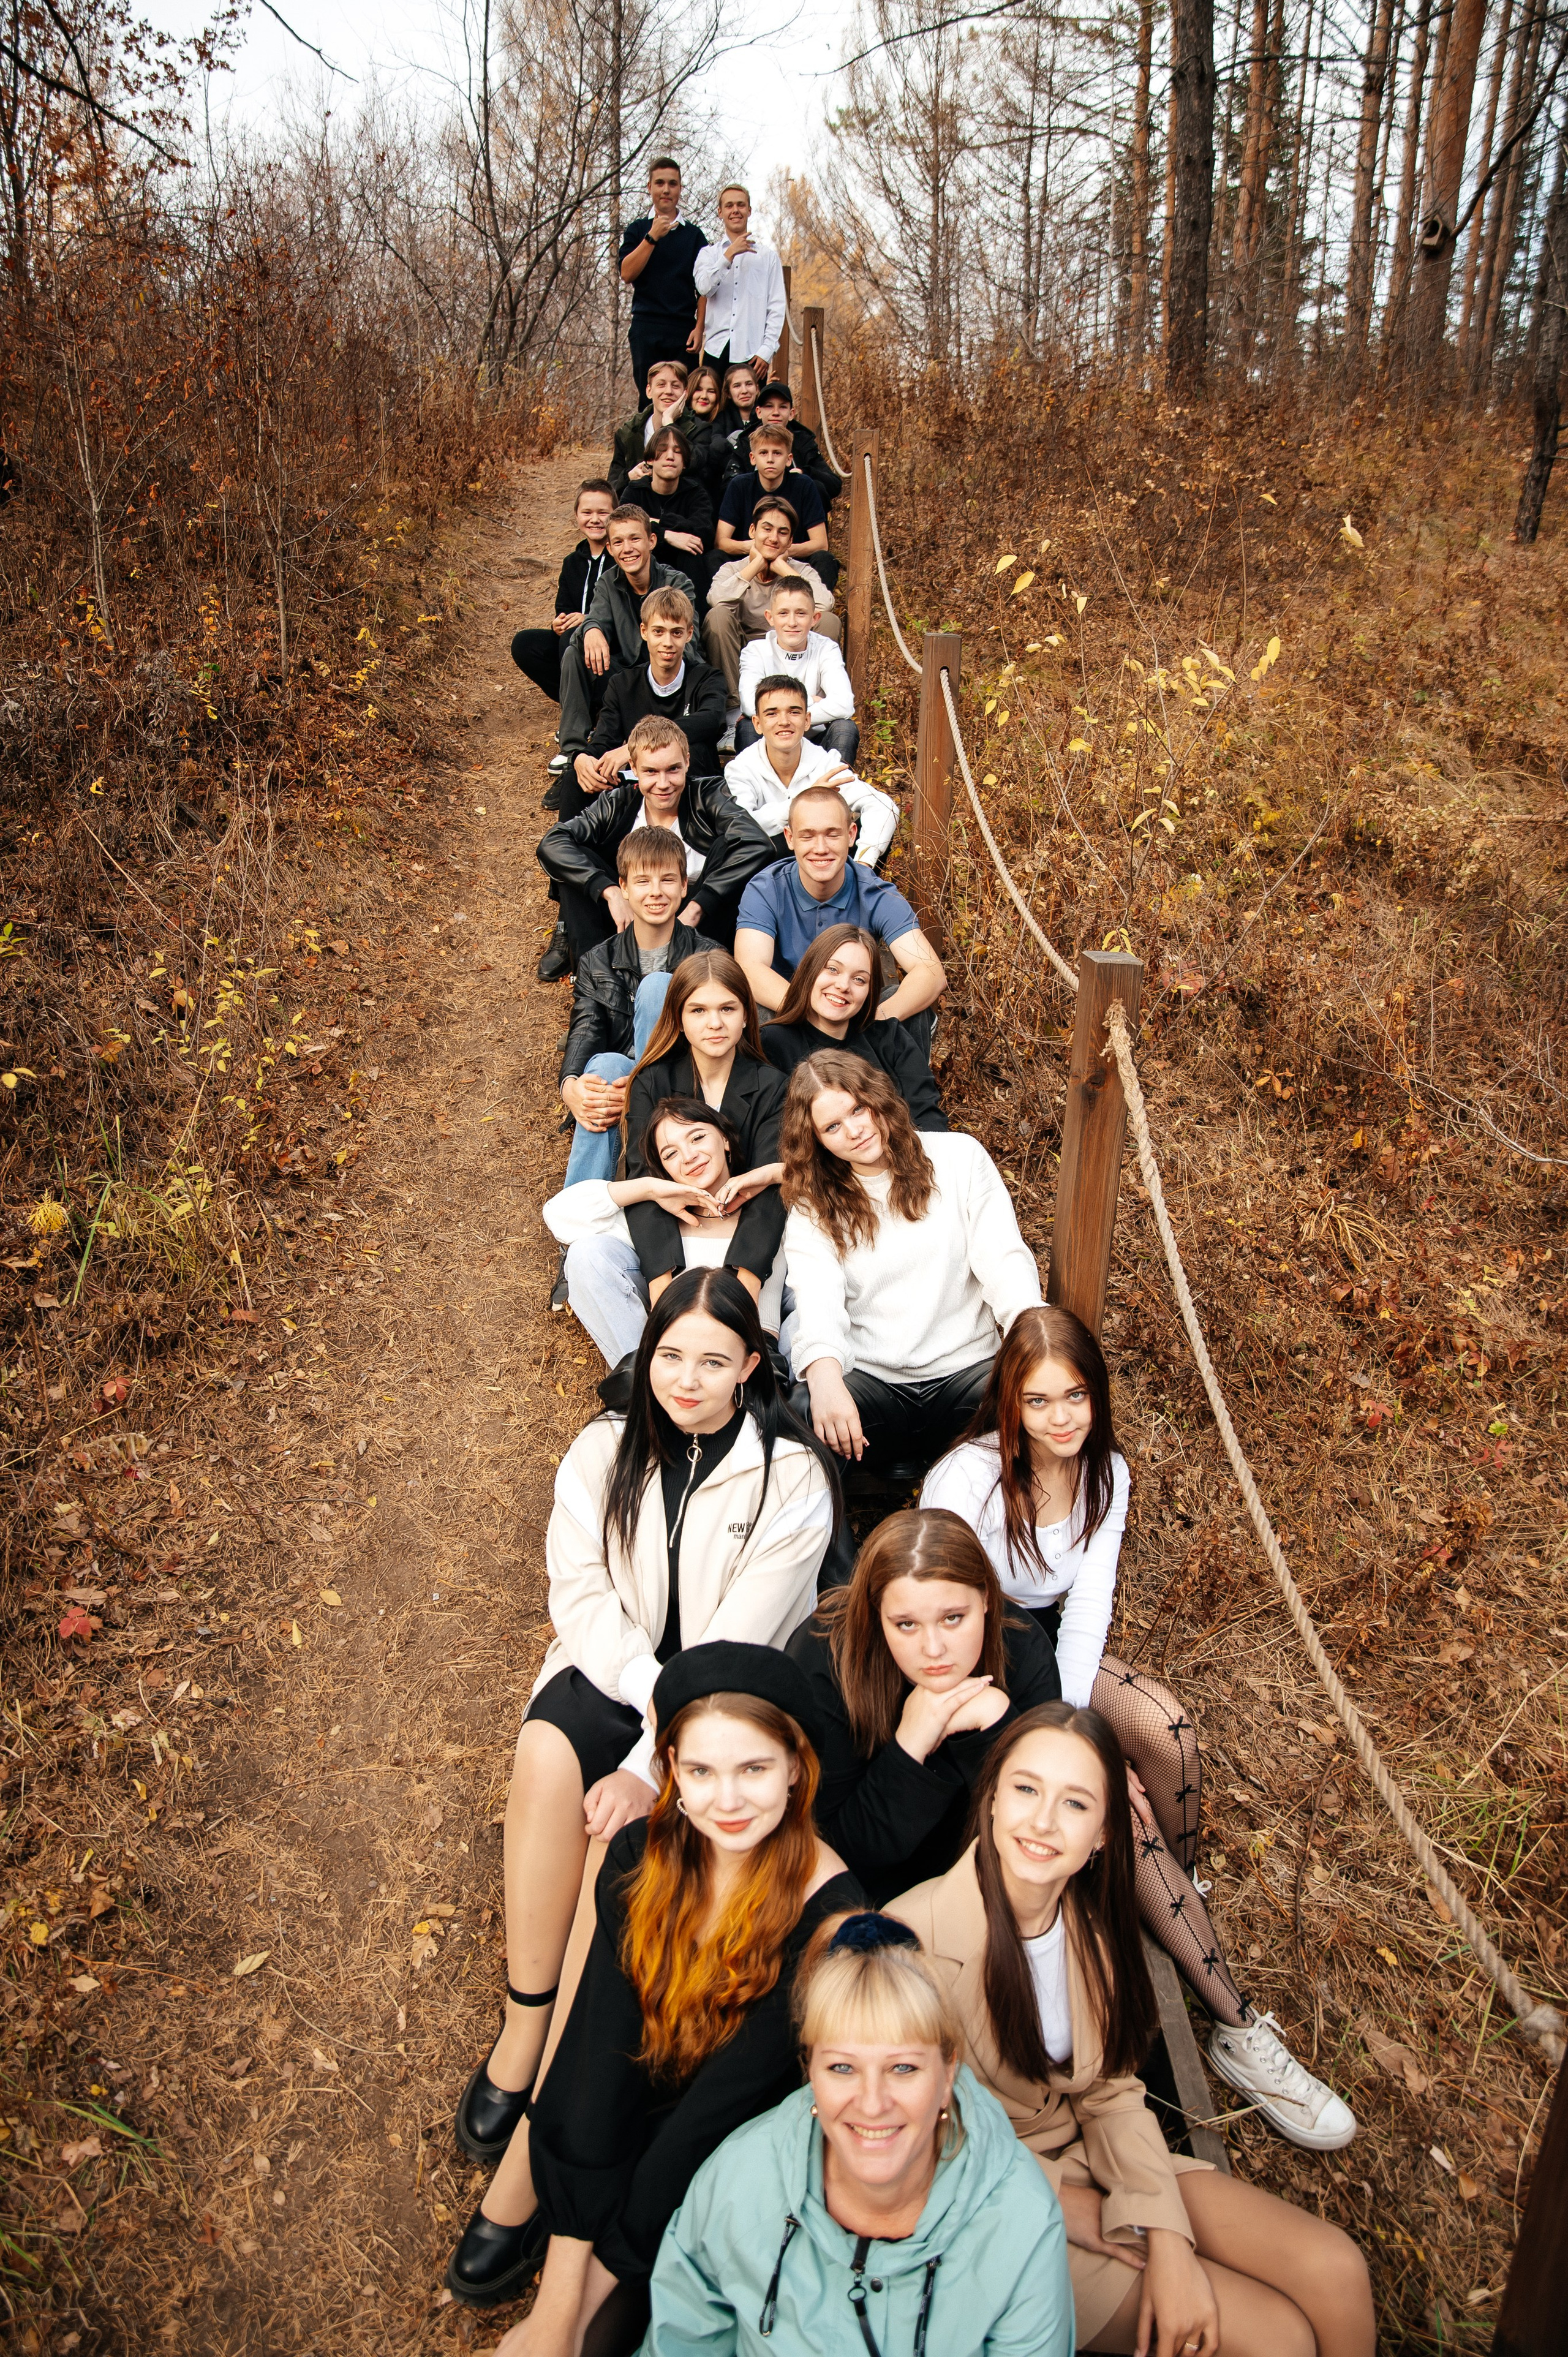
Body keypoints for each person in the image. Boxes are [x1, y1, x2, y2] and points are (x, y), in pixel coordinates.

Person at [921, 1306, 1357, 2151]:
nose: (1061, 1418)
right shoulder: (965, 1480)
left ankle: (1166, 1892)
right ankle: (1238, 2026)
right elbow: (956, 1621)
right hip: (979, 1661)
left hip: (1053, 1645)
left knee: (1168, 1732)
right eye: (1039, 1400)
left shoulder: (1106, 1473)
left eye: (1076, 1396)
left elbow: (1087, 1610)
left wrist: (1081, 1729)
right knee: (1124, 1810)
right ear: (1009, 1402)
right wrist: (1073, 1755)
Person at [451, 1286, 842, 2165]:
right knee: (547, 1749)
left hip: (723, 1704)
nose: (686, 1380)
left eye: (713, 1361)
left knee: (617, 1836)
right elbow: (578, 1590)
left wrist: (647, 1764)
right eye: (670, 1356)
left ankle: (562, 2060)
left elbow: (738, 1640)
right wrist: (641, 1687)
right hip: (616, 1667)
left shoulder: (791, 1478)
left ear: (750, 1367)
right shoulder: (601, 1448)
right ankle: (524, 2021)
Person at [889, 1707, 1376, 2356]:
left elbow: (1111, 2093)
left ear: (1102, 1834)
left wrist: (1166, 2234)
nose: (1043, 1820)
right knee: (1277, 2338)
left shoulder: (1089, 1932)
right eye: (1026, 1788)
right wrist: (1061, 2203)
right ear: (994, 1798)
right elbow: (896, 2132)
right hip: (983, 2197)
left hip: (1097, 2157)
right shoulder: (906, 1944)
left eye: (1075, 1802)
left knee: (1335, 2267)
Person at [453, 1643, 862, 2353]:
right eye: (700, 1771)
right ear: (669, 1766)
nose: (726, 1800)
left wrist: (582, 2306)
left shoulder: (827, 1922)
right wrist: (557, 2299)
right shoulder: (638, 1856)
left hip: (718, 2162)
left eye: (754, 1768)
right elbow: (597, 2058)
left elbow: (713, 2120)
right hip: (632, 2100)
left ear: (796, 1767)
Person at [643, 1912, 1074, 2357]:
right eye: (842, 2068)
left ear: (948, 2074)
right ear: (811, 2071)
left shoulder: (1020, 2222)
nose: (872, 2104)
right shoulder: (738, 2183)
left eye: (902, 2068)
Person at [782, 1054, 1041, 1480]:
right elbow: (817, 1300)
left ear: (877, 1098)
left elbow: (1003, 1261)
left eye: (858, 1109)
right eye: (832, 1127)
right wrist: (824, 1379)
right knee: (802, 1412)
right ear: (816, 1140)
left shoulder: (958, 1157)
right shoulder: (814, 1205)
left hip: (968, 1376)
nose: (854, 1130)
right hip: (875, 1386)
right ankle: (838, 1527)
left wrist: (1031, 1338)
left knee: (1037, 1399)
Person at [789, 1509, 1061, 1897]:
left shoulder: (1022, 1646)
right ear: (876, 1614)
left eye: (953, 1618)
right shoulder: (826, 1657)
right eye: (906, 1624)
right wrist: (910, 1745)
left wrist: (996, 1722)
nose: (934, 1650)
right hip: (863, 1899)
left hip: (987, 1883)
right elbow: (832, 1851)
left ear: (986, 1598)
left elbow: (1040, 1831)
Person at [546, 1096, 787, 1367]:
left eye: (697, 1138)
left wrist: (770, 1175)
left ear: (725, 1139)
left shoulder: (770, 1213)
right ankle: (642, 1379)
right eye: (670, 1154)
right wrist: (650, 1188)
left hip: (750, 1359)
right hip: (669, 1360)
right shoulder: (655, 1225)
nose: (689, 1157)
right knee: (585, 1253)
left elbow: (826, 1181)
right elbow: (559, 1216)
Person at [620, 951, 787, 1332]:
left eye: (728, 1008)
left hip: (749, 1242)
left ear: (746, 1016)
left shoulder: (773, 1086)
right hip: (675, 1237)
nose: (715, 1023)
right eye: (698, 1011)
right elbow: (644, 1181)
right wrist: (662, 1286)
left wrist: (747, 1286)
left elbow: (770, 1187)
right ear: (678, 1019)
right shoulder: (652, 1082)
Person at [556, 827, 717, 1202]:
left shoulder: (709, 958)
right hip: (619, 1090)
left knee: (659, 987)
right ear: (624, 888)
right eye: (643, 881)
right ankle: (581, 1216)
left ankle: (642, 1158)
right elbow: (586, 1030)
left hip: (686, 1081)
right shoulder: (598, 960)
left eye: (667, 880)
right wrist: (571, 1087)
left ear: (684, 887)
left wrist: (642, 1082)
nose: (656, 892)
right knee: (606, 1067)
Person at [538, 718, 774, 968]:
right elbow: (553, 841)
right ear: (634, 767)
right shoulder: (617, 803)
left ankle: (702, 970)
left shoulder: (708, 796)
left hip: (696, 921)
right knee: (576, 859)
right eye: (651, 771)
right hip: (631, 915)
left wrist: (699, 906)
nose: (663, 784)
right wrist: (611, 892)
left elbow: (757, 842)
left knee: (729, 846)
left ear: (687, 762)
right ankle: (595, 973)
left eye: (673, 769)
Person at [734, 786, 945, 1035]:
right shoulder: (766, 888)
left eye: (832, 835)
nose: (820, 848)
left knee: (909, 1005)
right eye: (807, 836)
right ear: (790, 838)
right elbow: (750, 967)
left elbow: (931, 972)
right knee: (754, 1006)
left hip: (852, 1016)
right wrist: (817, 1016)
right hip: (789, 1010)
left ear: (851, 835)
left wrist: (873, 1022)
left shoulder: (876, 894)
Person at [553, 508, 696, 804]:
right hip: (626, 678)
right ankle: (573, 754)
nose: (627, 548)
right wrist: (592, 628)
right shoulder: (608, 582)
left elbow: (688, 646)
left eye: (635, 539)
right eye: (618, 542)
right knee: (574, 652)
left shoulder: (677, 582)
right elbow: (596, 616)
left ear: (652, 541)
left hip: (667, 676)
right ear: (609, 548)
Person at [761, 924, 946, 1132]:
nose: (843, 986)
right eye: (832, 969)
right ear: (810, 970)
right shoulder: (771, 1044)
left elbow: (929, 1119)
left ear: (869, 991)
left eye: (859, 979)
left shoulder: (891, 1039)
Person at [573, 587, 725, 799]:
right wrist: (582, 758)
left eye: (676, 633)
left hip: (690, 785)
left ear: (689, 634)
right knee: (575, 777)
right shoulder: (623, 684)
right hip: (639, 784)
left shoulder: (707, 678)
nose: (667, 643)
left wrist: (634, 746)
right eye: (658, 632)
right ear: (644, 631)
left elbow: (711, 719)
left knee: (694, 748)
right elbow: (605, 740)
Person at [725, 679, 896, 865]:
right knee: (758, 841)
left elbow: (884, 807)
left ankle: (855, 882)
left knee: (865, 827)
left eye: (794, 712)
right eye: (772, 713)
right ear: (757, 724)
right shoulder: (741, 768)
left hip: (825, 865)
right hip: (766, 871)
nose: (784, 722)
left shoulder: (825, 763)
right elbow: (740, 828)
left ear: (807, 720)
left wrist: (864, 864)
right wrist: (806, 800)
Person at [704, 503, 839, 739]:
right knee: (717, 617)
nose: (774, 538)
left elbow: (825, 603)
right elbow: (716, 599)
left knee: (829, 621)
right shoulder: (732, 569)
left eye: (782, 532)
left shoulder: (802, 571)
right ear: (752, 531)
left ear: (791, 541)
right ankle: (734, 717)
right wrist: (756, 565)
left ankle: (810, 712)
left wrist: (782, 568)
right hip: (744, 653)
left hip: (791, 650)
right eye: (767, 529)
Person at [510, 479, 615, 732]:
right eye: (587, 512)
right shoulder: (572, 563)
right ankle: (580, 707)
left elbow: (624, 610)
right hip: (571, 644)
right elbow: (564, 607)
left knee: (572, 637)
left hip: (610, 643)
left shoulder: (621, 558)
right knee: (525, 644)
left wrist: (588, 620)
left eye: (603, 512)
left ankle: (584, 716)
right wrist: (559, 622)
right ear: (576, 516)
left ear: (615, 515)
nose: (595, 519)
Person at [736, 572, 857, 759]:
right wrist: (810, 701)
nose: (792, 622)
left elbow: (844, 705)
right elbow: (750, 706)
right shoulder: (756, 651)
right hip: (773, 739)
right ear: (770, 617)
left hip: (815, 740)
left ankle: (833, 779)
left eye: (801, 613)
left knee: (845, 728)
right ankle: (758, 779)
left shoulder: (826, 648)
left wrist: (779, 712)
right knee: (749, 726)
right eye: (783, 613)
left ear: (815, 618)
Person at [618, 157, 706, 396]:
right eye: (660, 183)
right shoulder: (637, 229)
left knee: (683, 401)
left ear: (680, 189)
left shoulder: (695, 236)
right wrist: (652, 236)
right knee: (650, 401)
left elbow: (705, 288)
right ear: (650, 187)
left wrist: (699, 328)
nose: (666, 190)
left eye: (672, 184)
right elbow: (627, 273)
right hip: (646, 326)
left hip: (683, 330)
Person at [716, 432, 837, 587]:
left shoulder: (804, 485)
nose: (770, 459)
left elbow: (821, 544)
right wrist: (759, 549)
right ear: (753, 458)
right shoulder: (739, 485)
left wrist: (779, 551)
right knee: (715, 557)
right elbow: (721, 542)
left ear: (789, 459)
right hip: (749, 560)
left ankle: (816, 601)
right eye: (763, 453)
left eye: (777, 453)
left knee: (825, 559)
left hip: (792, 561)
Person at [693, 185, 785, 379]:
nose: (735, 210)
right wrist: (728, 255)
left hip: (753, 355)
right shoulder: (708, 255)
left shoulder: (767, 257)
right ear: (720, 212)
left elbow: (776, 307)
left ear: (749, 210)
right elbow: (704, 288)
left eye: (741, 205)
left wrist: (767, 350)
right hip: (715, 351)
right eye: (729, 206)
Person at [621, 429, 715, 602]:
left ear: (685, 463)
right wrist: (667, 535)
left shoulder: (696, 493)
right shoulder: (635, 492)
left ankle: (694, 615)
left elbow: (704, 533)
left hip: (686, 570)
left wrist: (655, 522)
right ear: (650, 459)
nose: (670, 457)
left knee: (691, 551)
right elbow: (624, 528)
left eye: (677, 452)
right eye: (663, 450)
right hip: (646, 568)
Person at [609, 360, 694, 497]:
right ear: (649, 391)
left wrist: (668, 423)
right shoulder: (628, 434)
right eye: (661, 385)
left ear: (685, 393)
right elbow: (611, 489)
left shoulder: (698, 429)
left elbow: (694, 464)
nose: (668, 391)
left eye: (675, 386)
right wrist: (629, 477)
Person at [755, 377, 843, 506]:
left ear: (791, 414)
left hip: (795, 509)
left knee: (817, 487)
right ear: (759, 412)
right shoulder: (746, 441)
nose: (776, 413)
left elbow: (834, 484)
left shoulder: (803, 441)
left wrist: (804, 474)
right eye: (769, 406)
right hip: (756, 507)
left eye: (783, 407)